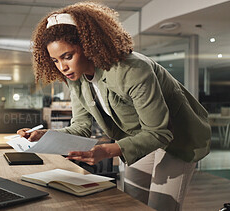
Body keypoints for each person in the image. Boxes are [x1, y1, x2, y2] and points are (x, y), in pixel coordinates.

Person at [17, 2, 211, 211]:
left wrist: (107, 151)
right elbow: (81, 126)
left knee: (160, 206)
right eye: (55, 60)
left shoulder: (132, 70)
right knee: (132, 201)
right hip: (139, 138)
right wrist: (46, 136)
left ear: (88, 45)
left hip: (178, 139)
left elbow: (159, 132)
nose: (62, 67)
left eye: (68, 56)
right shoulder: (76, 79)